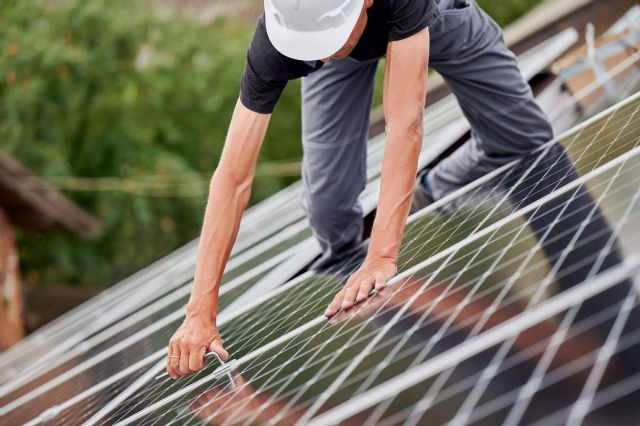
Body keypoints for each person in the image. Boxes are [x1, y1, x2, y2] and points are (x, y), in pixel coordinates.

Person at [165, 0, 556, 379]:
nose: (323, 52)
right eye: (311, 44)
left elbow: (405, 124)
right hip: (346, 46)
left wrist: (382, 256)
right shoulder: (282, 39)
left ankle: (435, 187)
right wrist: (199, 312)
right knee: (329, 216)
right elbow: (232, 179)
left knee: (526, 141)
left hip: (429, 17)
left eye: (326, 39)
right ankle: (388, 304)